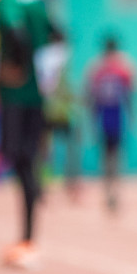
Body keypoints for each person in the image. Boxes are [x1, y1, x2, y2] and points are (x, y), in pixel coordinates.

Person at [0, 0, 54, 270]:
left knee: (20, 161)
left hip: (17, 96)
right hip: (38, 93)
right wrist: (47, 75)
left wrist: (16, 66)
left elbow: (15, 33)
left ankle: (27, 240)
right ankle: (28, 237)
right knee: (27, 160)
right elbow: (58, 33)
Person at [85, 32, 137, 215]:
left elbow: (90, 98)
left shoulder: (97, 68)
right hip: (116, 117)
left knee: (107, 157)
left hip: (106, 118)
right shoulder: (124, 67)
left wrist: (92, 121)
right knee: (115, 157)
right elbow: (130, 96)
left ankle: (110, 191)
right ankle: (113, 192)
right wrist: (132, 117)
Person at [40, 27, 82, 205]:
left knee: (45, 151)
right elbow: (62, 85)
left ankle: (43, 186)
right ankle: (71, 184)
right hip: (63, 112)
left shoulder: (42, 56)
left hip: (46, 110)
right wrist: (75, 98)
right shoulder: (63, 55)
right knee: (72, 147)